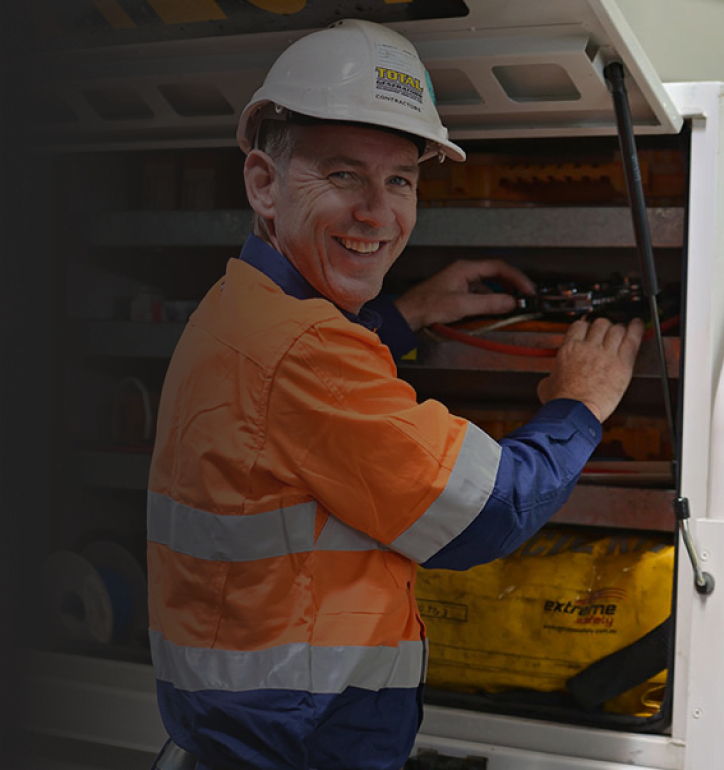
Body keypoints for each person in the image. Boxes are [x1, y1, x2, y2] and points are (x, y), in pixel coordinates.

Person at [147, 19, 644, 770]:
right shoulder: (308, 351)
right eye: (343, 174)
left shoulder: (235, 308)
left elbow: (293, 402)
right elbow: (489, 513)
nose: (378, 213)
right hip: (301, 750)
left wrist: (404, 314)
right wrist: (582, 402)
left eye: (401, 180)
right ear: (263, 184)